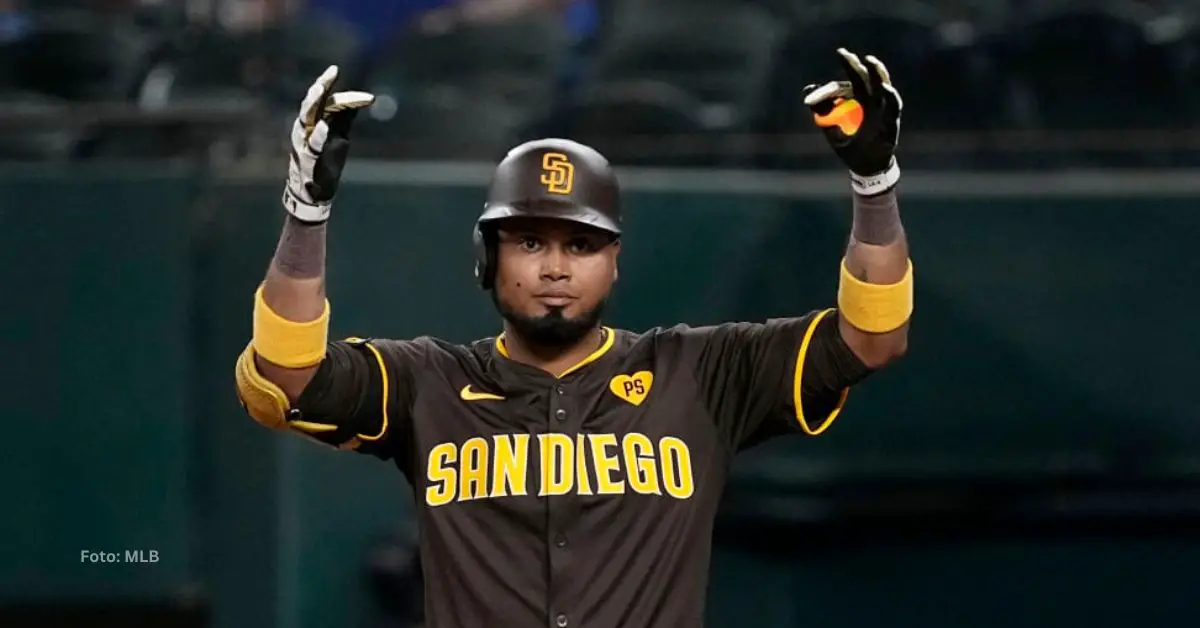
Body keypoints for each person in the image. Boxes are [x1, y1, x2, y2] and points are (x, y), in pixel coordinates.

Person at [235, 48, 912, 628]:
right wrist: (305, 215)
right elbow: (287, 373)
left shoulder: (701, 371)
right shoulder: (428, 383)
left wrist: (875, 186)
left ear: (614, 263)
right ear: (487, 259)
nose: (555, 267)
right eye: (530, 241)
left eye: (581, 244)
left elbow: (872, 336)